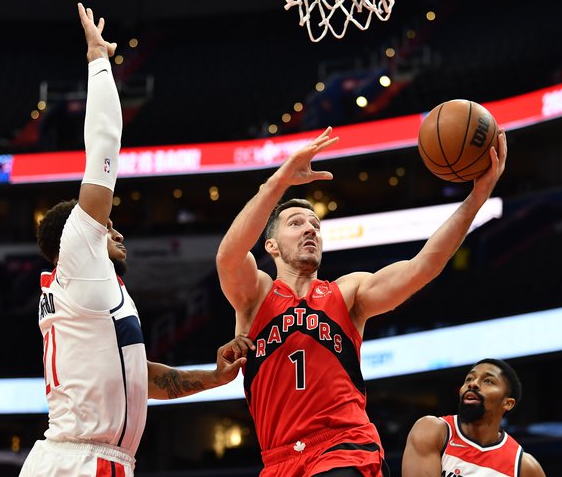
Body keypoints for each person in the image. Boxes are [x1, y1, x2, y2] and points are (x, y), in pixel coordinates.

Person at [19, 4, 250, 477]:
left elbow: (139, 378)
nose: (115, 229)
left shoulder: (93, 293)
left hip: (91, 460)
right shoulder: (79, 260)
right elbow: (104, 145)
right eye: (105, 225)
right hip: (77, 462)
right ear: (80, 236)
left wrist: (214, 378)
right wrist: (99, 61)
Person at [216, 126, 507, 477]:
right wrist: (279, 181)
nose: (310, 229)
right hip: (279, 460)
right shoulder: (256, 295)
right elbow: (229, 256)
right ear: (272, 247)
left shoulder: (348, 292)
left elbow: (422, 267)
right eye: (296, 223)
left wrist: (477, 197)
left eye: (315, 225)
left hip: (344, 447)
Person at [402, 358, 546, 477]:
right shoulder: (432, 430)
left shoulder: (524, 467)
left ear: (507, 403)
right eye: (469, 379)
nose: (473, 384)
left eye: (488, 381)